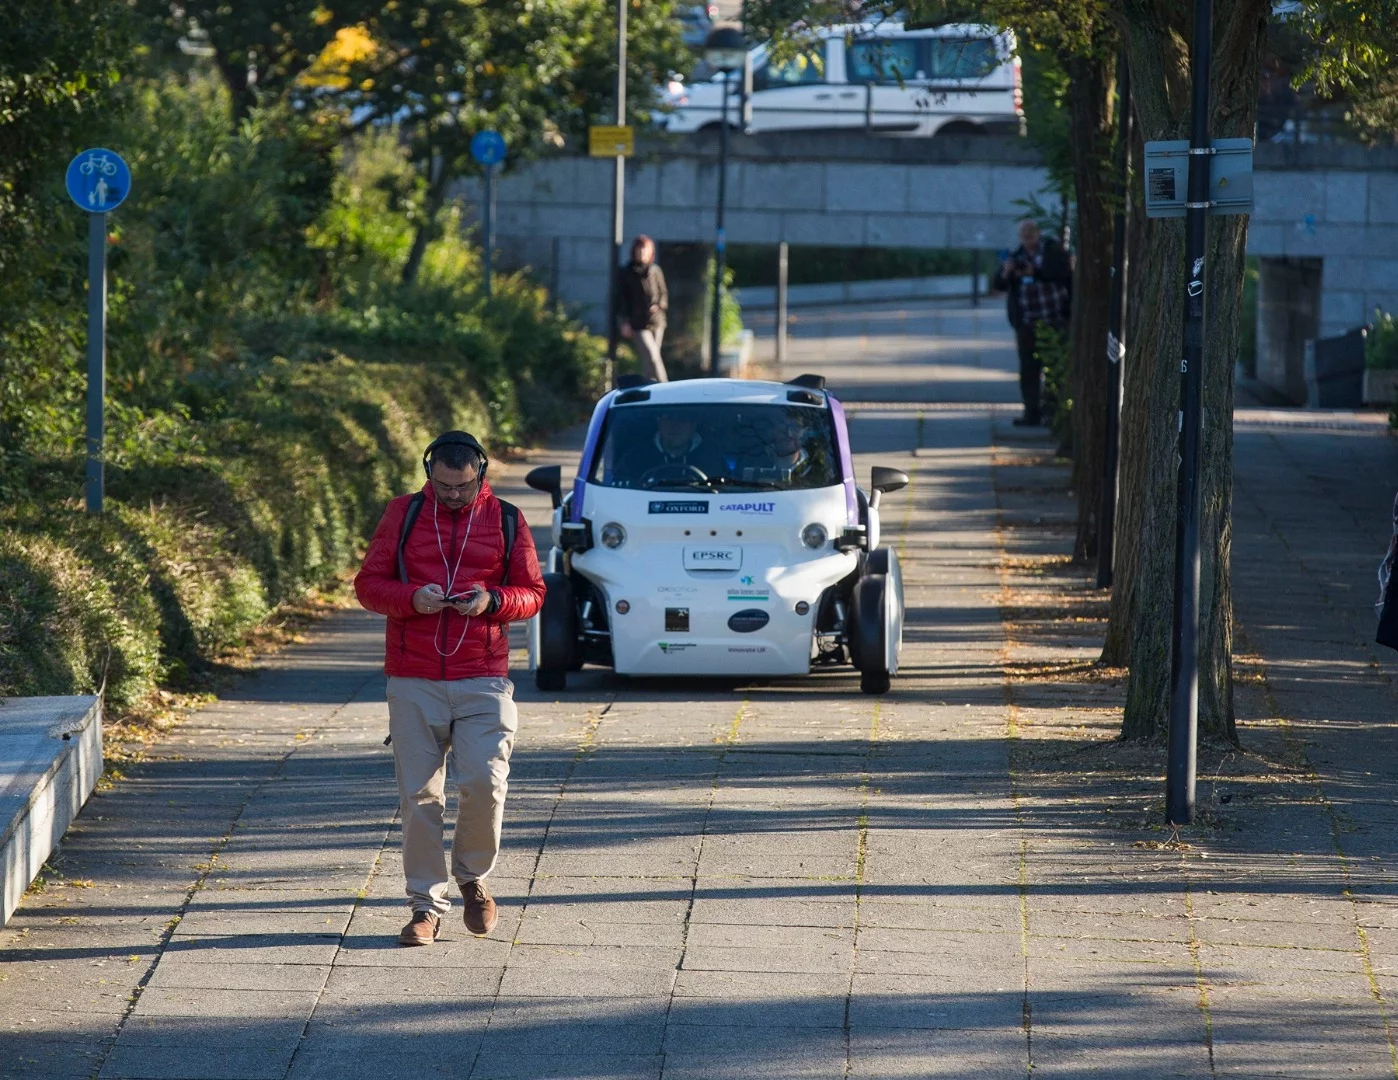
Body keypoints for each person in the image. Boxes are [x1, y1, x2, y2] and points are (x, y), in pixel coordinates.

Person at [354, 431, 545, 946]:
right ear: (429, 473)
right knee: (419, 797)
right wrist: (413, 599)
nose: (451, 495)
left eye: (461, 487)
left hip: (483, 675)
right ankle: (424, 907)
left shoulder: (506, 517)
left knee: (485, 783)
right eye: (441, 485)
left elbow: (533, 593)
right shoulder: (404, 513)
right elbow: (368, 585)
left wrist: (491, 600)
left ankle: (473, 879)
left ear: (479, 474)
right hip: (413, 677)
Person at [992, 219, 1072, 427]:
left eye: (1031, 232)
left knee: (1055, 367)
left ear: (1039, 233)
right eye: (1024, 234)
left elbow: (1061, 273)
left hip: (1055, 319)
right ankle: (1032, 412)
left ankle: (1053, 413)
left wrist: (1034, 272)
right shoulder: (1016, 256)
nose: (1028, 237)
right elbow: (998, 284)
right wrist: (1007, 271)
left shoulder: (1053, 252)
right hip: (1026, 322)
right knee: (1029, 368)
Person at [617, 235, 669, 383]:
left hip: (656, 320)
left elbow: (663, 293)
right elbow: (622, 299)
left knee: (650, 360)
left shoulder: (655, 270)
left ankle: (651, 390)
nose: (641, 253)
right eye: (639, 250)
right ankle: (665, 386)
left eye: (644, 250)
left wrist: (658, 305)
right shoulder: (626, 272)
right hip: (638, 322)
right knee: (652, 356)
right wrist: (625, 321)